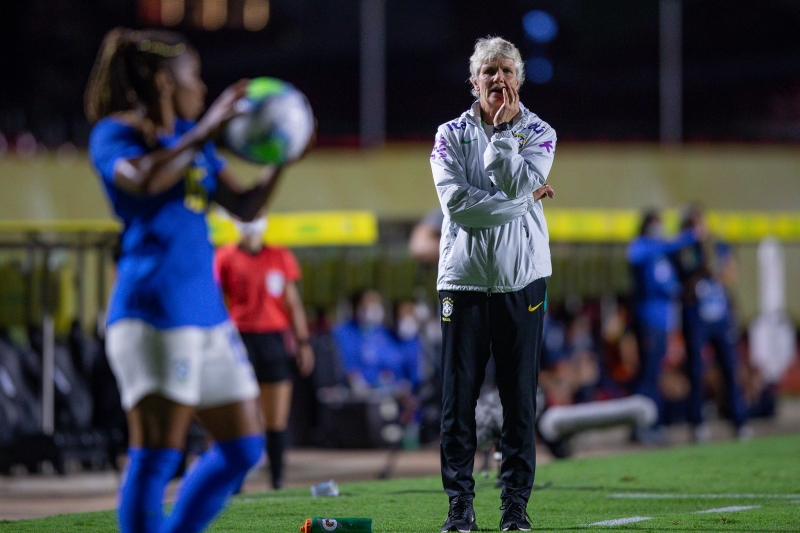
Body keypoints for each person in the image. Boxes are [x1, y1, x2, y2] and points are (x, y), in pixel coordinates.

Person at [85, 28, 304, 533]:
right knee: (158, 456)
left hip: (207, 314)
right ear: (165, 82)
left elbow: (245, 205)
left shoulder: (191, 137)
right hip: (152, 311)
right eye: (194, 78)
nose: (203, 90)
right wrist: (203, 130)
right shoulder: (115, 134)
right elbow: (142, 179)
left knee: (243, 447)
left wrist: (280, 159)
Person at [430, 36, 556, 532]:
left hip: (521, 281)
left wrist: (504, 135)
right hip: (461, 283)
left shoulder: (541, 132)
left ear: (518, 79)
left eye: (506, 71)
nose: (498, 79)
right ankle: (459, 508)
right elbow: (456, 206)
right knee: (457, 400)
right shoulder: (448, 135)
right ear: (474, 80)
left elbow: (503, 183)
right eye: (489, 71)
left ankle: (514, 508)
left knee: (519, 401)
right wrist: (524, 201)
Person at [214, 215, 315, 489]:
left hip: (272, 340)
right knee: (236, 413)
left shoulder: (279, 256)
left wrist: (303, 342)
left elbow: (292, 302)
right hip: (238, 339)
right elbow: (217, 302)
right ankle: (234, 481)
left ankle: (277, 479)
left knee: (276, 418)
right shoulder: (225, 256)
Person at [674, 206, 750, 441]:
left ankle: (739, 420)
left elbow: (729, 275)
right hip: (696, 316)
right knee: (696, 369)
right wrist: (703, 268)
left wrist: (716, 267)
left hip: (719, 315)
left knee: (729, 367)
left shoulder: (719, 245)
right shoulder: (683, 249)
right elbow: (684, 280)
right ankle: (697, 424)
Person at [626, 210, 698, 443]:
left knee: (655, 375)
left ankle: (651, 423)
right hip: (648, 321)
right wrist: (687, 236)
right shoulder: (643, 247)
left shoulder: (662, 254)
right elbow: (635, 256)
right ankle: (640, 425)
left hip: (663, 323)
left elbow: (672, 284)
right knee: (647, 376)